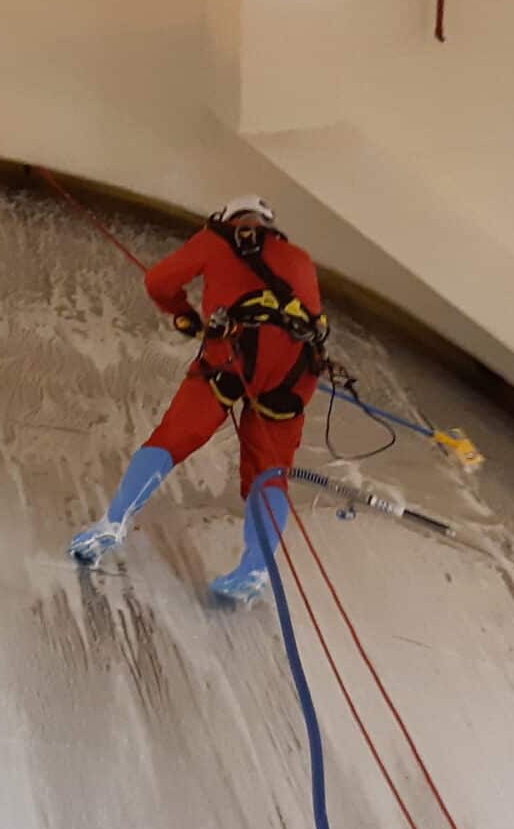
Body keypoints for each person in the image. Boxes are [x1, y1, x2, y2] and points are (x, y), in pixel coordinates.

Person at [69, 196, 329, 602]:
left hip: (231, 357)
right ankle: (256, 570)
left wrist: (183, 313)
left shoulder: (216, 239)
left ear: (228, 218)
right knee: (270, 473)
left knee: (171, 440)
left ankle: (112, 524)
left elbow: (159, 282)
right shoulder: (300, 258)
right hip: (294, 374)